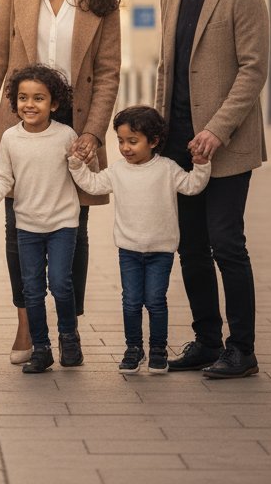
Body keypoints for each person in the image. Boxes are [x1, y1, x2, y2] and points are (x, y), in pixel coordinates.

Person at [0, 0, 123, 365]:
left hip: (75, 129)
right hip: (23, 121)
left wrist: (93, 132)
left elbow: (109, 72)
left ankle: (66, 324)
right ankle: (27, 325)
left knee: (75, 226)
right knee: (19, 226)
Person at [153, 0, 269, 379]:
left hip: (226, 146)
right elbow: (167, 71)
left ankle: (242, 349)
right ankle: (206, 340)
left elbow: (253, 70)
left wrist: (216, 130)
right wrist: (158, 135)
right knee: (191, 248)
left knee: (227, 244)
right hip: (178, 145)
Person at [67, 105, 210, 374]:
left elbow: (192, 186)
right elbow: (93, 184)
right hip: (129, 250)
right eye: (121, 141)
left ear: (153, 141)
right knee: (131, 301)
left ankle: (158, 350)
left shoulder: (167, 169)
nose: (125, 148)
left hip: (161, 250)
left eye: (133, 141)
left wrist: (202, 165)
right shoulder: (118, 171)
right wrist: (76, 164)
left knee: (156, 301)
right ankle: (133, 348)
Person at [0, 64, 82, 374]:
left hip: (62, 224)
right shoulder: (11, 138)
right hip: (27, 227)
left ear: (54, 104)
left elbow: (80, 174)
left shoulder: (65, 135)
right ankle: (42, 348)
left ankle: (68, 336)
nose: (30, 105)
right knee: (31, 289)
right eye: (23, 98)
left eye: (39, 98)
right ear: (15, 102)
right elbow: (2, 178)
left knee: (60, 284)